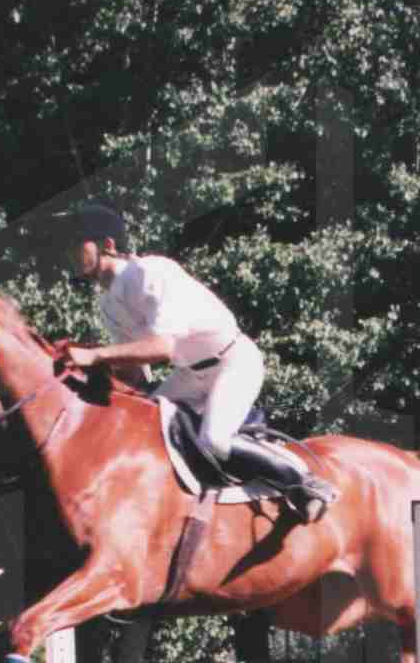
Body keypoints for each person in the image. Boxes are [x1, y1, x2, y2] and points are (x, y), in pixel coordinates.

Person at [50, 200, 337, 521]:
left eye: (77, 245)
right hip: (191, 374)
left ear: (107, 245)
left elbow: (162, 348)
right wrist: (83, 376)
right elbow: (134, 373)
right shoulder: (107, 304)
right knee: (140, 429)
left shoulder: (149, 272)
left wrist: (95, 354)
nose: (69, 254)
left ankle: (305, 481)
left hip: (233, 362)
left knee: (213, 439)